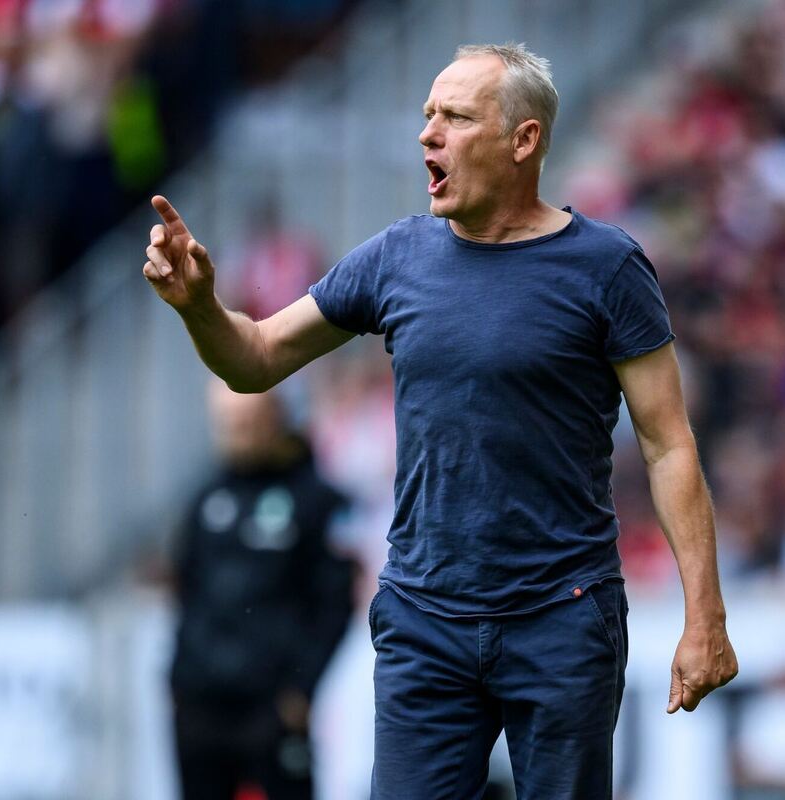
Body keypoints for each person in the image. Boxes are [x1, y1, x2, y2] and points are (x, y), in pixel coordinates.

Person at [144, 42, 738, 799]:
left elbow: (668, 444)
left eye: (455, 117)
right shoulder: (396, 258)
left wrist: (705, 617)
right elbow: (255, 359)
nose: (428, 134)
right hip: (425, 619)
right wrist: (200, 307)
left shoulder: (607, 268)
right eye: (428, 115)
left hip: (563, 617)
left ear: (523, 140)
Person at [168, 380, 355, 800]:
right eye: (227, 423)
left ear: (277, 418)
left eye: (247, 421)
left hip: (273, 704)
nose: (236, 433)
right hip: (201, 704)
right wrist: (177, 679)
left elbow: (334, 604)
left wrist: (301, 689)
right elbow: (186, 593)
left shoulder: (315, 501)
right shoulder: (205, 498)